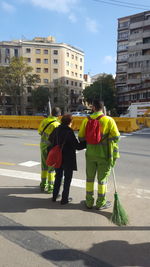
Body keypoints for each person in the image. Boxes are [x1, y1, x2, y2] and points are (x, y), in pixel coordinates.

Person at [78, 100, 120, 210]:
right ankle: (101, 203)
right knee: (102, 180)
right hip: (104, 155)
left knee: (90, 178)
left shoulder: (86, 120)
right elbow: (116, 137)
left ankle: (89, 202)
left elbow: (81, 137)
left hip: (90, 154)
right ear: (102, 108)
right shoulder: (109, 120)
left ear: (93, 108)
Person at [49, 114, 86, 204]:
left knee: (58, 177)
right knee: (67, 179)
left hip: (57, 158)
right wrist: (86, 142)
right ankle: (64, 199)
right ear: (70, 122)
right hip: (68, 159)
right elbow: (77, 146)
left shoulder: (56, 129)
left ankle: (54, 196)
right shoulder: (69, 132)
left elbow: (50, 139)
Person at [38, 107, 61, 193]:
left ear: (51, 113)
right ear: (59, 115)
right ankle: (51, 187)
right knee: (51, 167)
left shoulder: (45, 121)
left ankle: (43, 184)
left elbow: (40, 132)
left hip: (43, 146)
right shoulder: (57, 124)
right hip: (51, 148)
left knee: (44, 166)